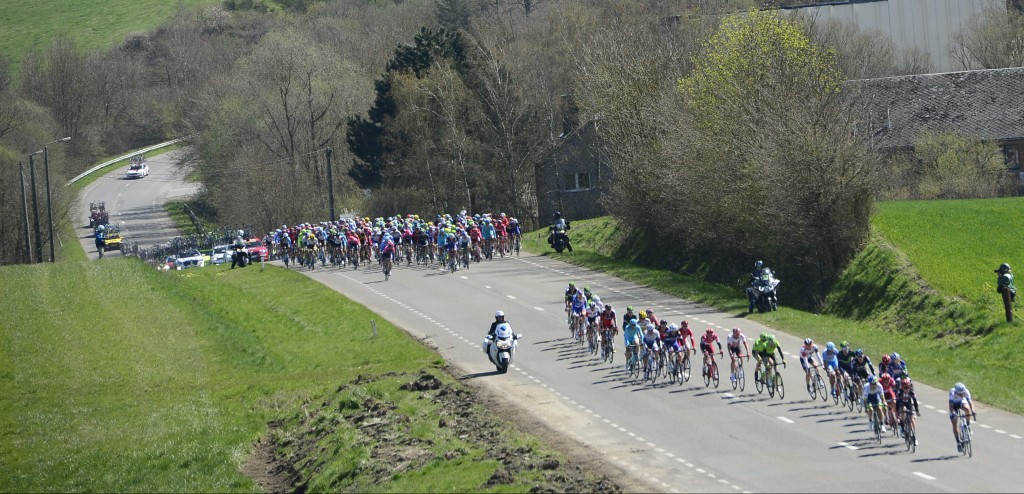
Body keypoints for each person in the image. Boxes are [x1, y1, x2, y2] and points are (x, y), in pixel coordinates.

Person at [949, 382, 975, 452]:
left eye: (962, 393)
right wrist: (953, 413)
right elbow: (951, 406)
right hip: (954, 405)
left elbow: (970, 401)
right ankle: (958, 442)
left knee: (967, 409)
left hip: (961, 402)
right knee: (954, 423)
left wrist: (973, 410)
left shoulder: (966, 391)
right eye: (960, 394)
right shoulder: (952, 392)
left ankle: (968, 426)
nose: (962, 394)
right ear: (956, 392)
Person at [895, 376, 920, 446]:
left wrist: (917, 411)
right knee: (903, 410)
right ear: (902, 387)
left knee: (912, 418)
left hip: (909, 404)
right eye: (905, 388)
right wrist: (897, 413)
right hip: (902, 404)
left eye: (908, 387)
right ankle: (902, 428)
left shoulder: (911, 392)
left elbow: (915, 402)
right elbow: (897, 404)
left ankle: (914, 436)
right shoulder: (899, 393)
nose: (907, 389)